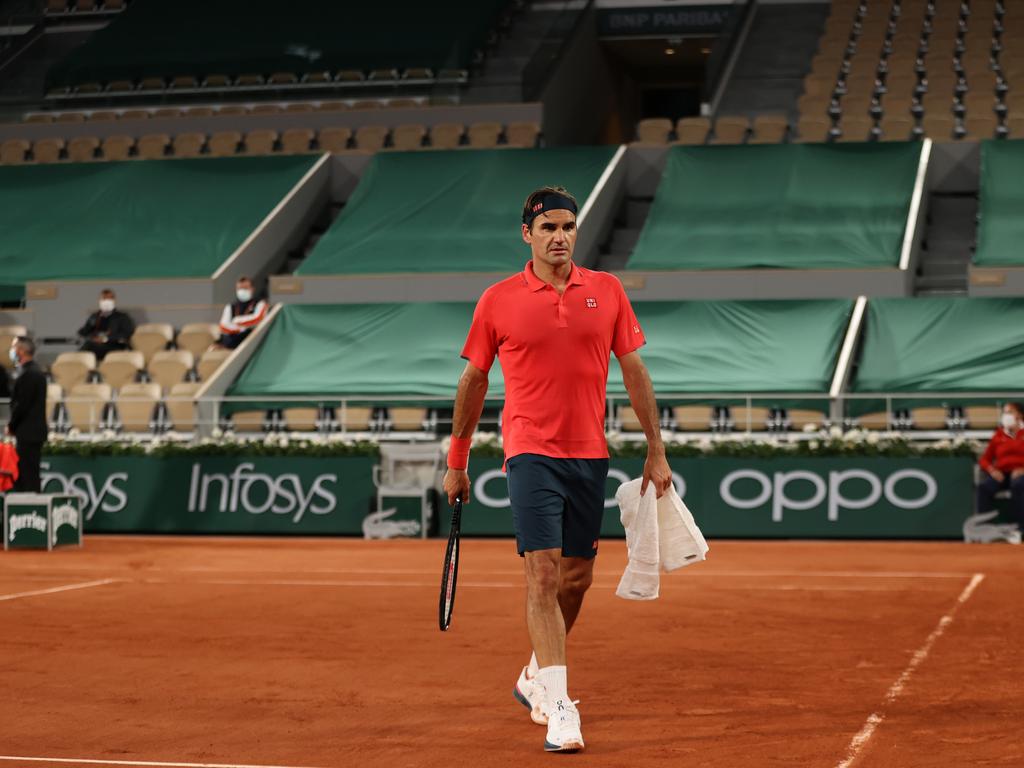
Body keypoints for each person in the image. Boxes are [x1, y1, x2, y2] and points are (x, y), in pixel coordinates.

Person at [442, 186, 672, 753]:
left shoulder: (609, 290)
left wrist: (656, 447)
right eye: (548, 228)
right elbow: (473, 381)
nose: (560, 236)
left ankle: (534, 677)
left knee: (576, 580)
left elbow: (634, 370)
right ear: (528, 234)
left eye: (568, 226)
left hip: (589, 452)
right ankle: (561, 707)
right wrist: (458, 460)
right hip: (529, 451)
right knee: (542, 573)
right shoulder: (497, 299)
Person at [6, 337, 47, 493]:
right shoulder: (32, 372)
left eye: (13, 347)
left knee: (28, 475)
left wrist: (11, 425)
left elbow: (22, 405)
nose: (12, 350)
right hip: (30, 432)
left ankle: (30, 509)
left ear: (21, 351)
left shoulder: (29, 374)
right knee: (27, 473)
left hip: (28, 432)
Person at [976, 401, 1024, 527]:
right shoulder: (998, 434)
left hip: (1021, 474)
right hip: (1001, 474)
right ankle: (985, 526)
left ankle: (1018, 527)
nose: (1006, 415)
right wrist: (992, 470)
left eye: (1009, 412)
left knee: (1018, 485)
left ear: (1019, 415)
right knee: (984, 488)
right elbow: (984, 459)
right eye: (1004, 412)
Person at [78, 289, 135, 361]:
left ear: (114, 300)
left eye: (109, 299)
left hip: (114, 345)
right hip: (95, 344)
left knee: (88, 347)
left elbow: (127, 333)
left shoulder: (122, 317)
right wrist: (91, 336)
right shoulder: (95, 317)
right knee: (86, 347)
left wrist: (106, 338)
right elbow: (84, 331)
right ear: (100, 300)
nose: (106, 301)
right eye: (104, 299)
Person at [218, 276, 268, 349]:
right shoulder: (230, 306)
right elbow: (223, 326)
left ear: (252, 289)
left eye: (245, 288)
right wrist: (242, 328)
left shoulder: (260, 303)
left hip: (251, 340)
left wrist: (236, 321)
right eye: (240, 288)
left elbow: (258, 319)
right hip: (231, 341)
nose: (242, 291)